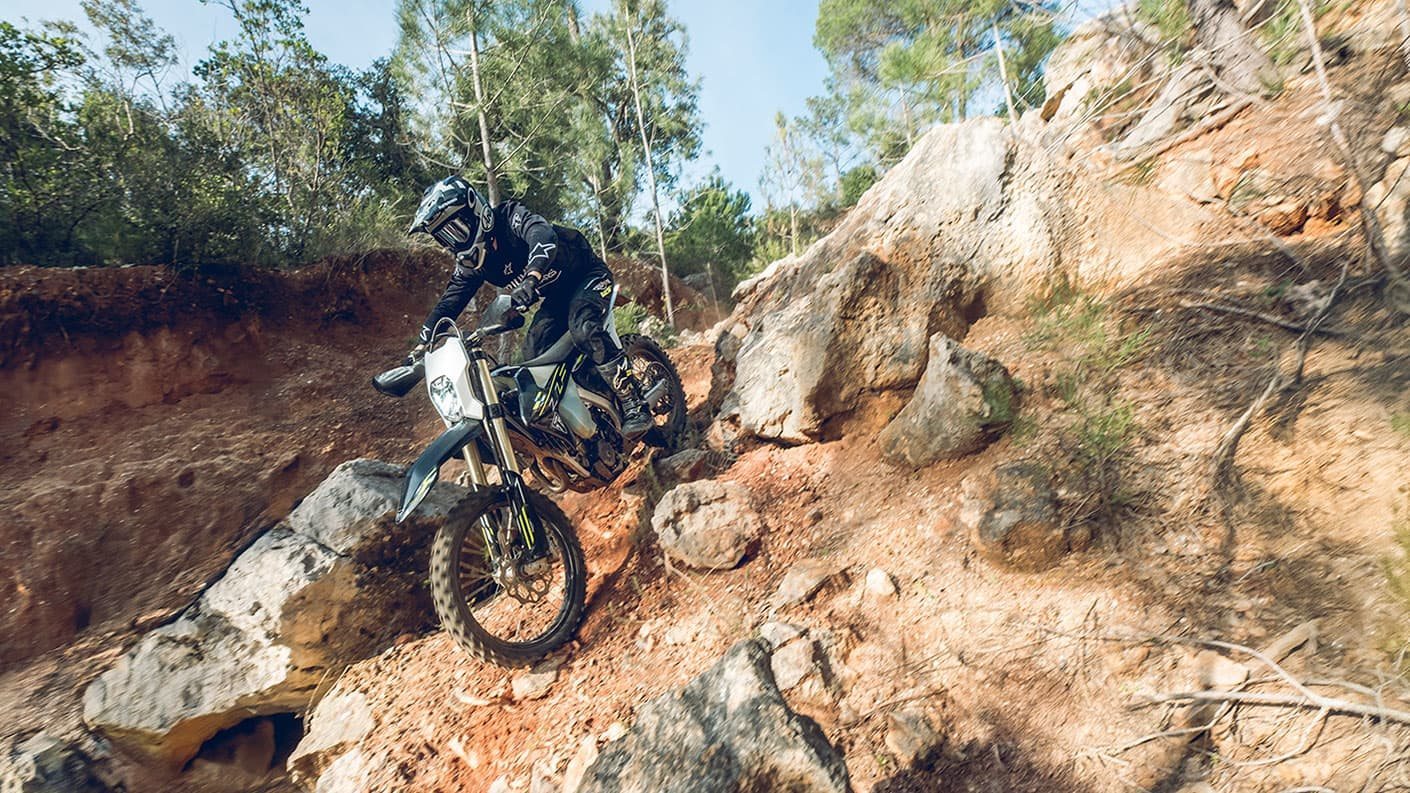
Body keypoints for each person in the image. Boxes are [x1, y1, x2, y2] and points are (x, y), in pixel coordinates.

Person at [406, 175, 652, 438]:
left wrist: (532, 277)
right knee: (534, 354)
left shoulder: (509, 217)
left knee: (584, 327)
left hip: (588, 275)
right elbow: (449, 302)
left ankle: (633, 401)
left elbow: (542, 236)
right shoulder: (475, 265)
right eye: (445, 237)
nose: (453, 241)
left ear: (475, 211)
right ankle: (585, 419)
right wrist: (420, 347)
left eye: (456, 229)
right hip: (557, 296)